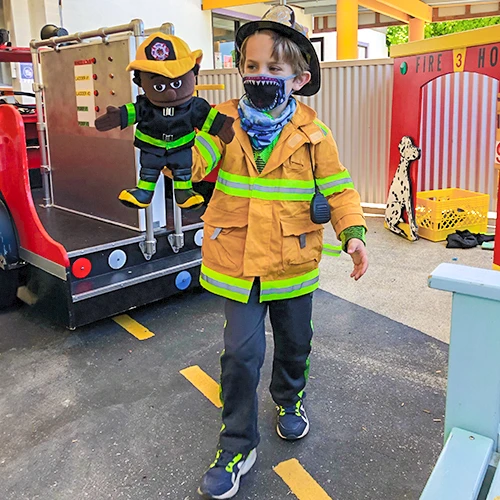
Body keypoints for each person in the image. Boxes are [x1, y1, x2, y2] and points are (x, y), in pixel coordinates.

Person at [177, 6, 368, 499]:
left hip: (292, 261)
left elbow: (341, 189)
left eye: (274, 69)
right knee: (240, 355)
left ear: (300, 78)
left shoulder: (314, 134)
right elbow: (195, 165)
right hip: (236, 262)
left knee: (294, 345)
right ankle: (237, 444)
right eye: (252, 67)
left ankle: (289, 399)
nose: (260, 77)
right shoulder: (221, 119)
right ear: (241, 69)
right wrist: (176, 130)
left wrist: (353, 235)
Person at [95, 33, 234, 210]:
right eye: (159, 86)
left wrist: (222, 126)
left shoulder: (196, 107)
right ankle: (144, 192)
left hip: (180, 147)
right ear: (139, 81)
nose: (170, 93)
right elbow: (133, 111)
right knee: (148, 170)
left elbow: (208, 118)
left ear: (194, 73)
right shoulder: (145, 105)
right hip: (152, 147)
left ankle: (184, 192)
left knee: (182, 170)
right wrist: (118, 116)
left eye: (176, 83)